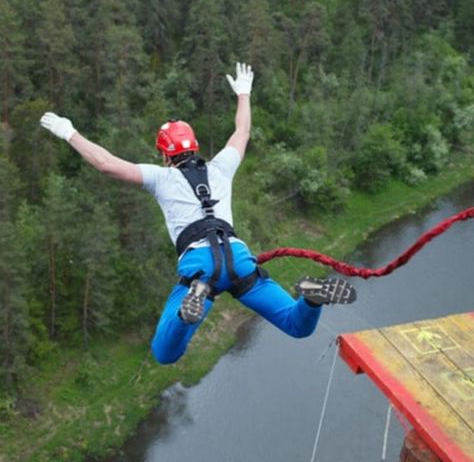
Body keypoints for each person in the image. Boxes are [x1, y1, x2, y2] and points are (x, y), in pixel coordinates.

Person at [40, 62, 356, 365]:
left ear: (165, 155)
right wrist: (243, 94)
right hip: (239, 258)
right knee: (297, 326)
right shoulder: (220, 168)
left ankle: (186, 309)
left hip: (199, 266)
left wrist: (69, 133)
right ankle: (312, 298)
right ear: (194, 146)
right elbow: (242, 132)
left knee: (165, 353)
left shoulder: (160, 177)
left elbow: (106, 163)